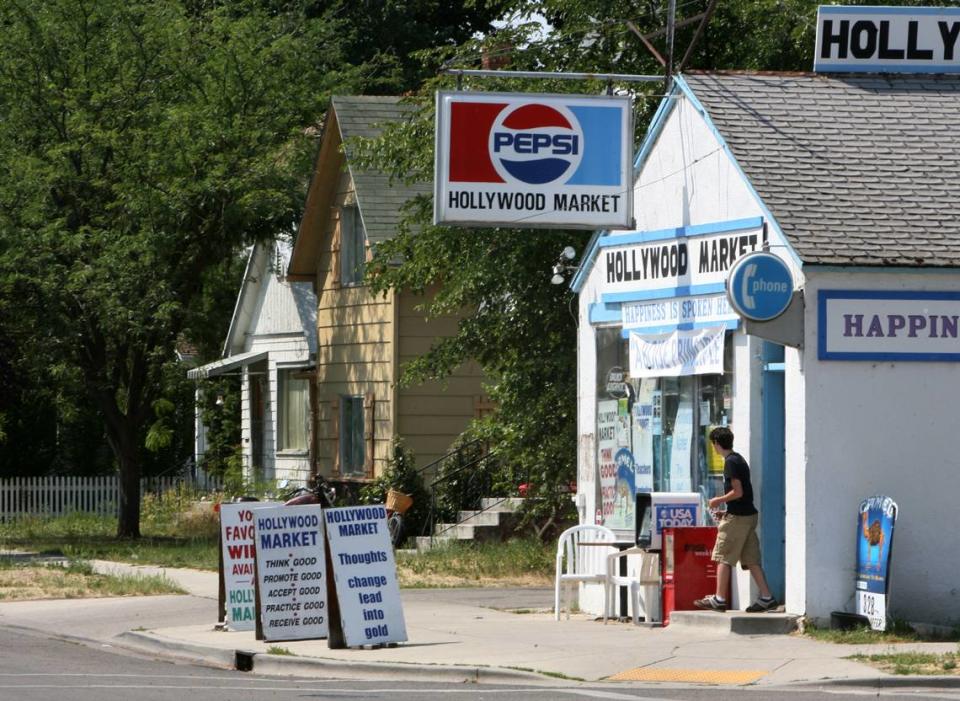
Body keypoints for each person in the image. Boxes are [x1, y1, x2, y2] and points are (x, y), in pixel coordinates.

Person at [694, 426, 778, 613]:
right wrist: (727, 510)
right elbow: (743, 494)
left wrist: (718, 501)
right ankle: (766, 597)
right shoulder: (739, 459)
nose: (714, 448)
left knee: (723, 555)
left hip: (739, 518)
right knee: (751, 559)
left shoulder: (730, 463)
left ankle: (719, 598)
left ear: (716, 443)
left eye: (713, 444)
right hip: (747, 515)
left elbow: (737, 491)